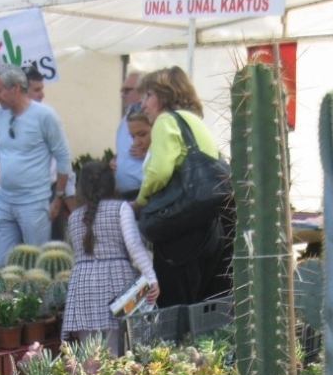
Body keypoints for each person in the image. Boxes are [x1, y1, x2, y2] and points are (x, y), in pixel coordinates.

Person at [134, 66, 232, 308]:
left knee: (174, 312)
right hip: (211, 229)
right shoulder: (195, 122)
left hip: (181, 235)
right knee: (203, 310)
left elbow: (159, 171)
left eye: (148, 95)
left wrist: (140, 201)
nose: (143, 104)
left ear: (165, 94)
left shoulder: (166, 120)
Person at [62, 160, 159, 356]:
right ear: (111, 183)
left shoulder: (74, 217)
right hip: (116, 281)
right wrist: (151, 278)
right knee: (116, 349)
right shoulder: (121, 208)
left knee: (87, 356)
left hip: (82, 283)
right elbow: (134, 246)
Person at [0, 67, 76, 231]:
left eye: (42, 89)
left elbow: (62, 158)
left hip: (48, 194)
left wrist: (66, 196)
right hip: (11, 197)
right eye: (36, 90)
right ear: (20, 89)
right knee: (16, 254)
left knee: (48, 253)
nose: (42, 95)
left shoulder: (47, 117)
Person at [0, 65, 72, 266]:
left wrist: (58, 198)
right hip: (3, 202)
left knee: (37, 265)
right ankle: (7, 298)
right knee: (2, 264)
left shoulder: (45, 116)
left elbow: (63, 157)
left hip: (33, 203)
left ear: (16, 88)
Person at [111, 71, 144, 200]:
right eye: (121, 91)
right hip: (123, 194)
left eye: (127, 91)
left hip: (142, 193)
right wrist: (115, 160)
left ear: (142, 90)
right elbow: (122, 150)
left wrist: (149, 153)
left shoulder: (151, 118)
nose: (122, 95)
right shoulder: (125, 119)